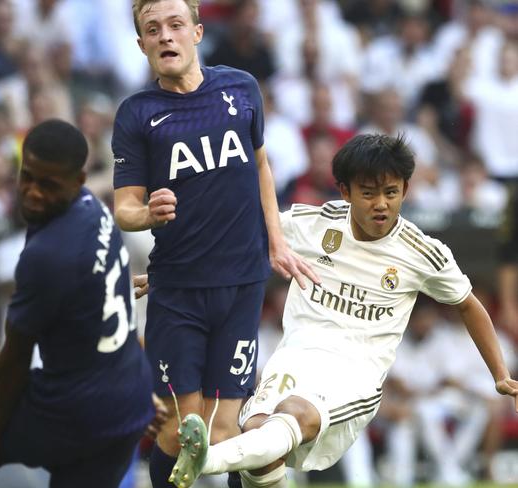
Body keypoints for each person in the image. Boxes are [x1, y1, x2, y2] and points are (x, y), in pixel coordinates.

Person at [168, 133, 518, 488]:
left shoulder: (422, 252)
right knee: (259, 439)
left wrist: (500, 374)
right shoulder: (313, 223)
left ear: (405, 190)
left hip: (355, 371)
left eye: (391, 192)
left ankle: (207, 458)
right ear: (345, 191)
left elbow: (468, 305)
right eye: (368, 193)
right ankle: (211, 459)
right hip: (296, 355)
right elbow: (237, 237)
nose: (381, 203)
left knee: (292, 415)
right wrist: (174, 271)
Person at [112, 1, 318, 486]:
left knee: (225, 430)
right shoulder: (137, 113)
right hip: (178, 291)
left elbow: (261, 166)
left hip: (241, 283)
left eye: (175, 25)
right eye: (152, 29)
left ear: (198, 32)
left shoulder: (241, 88)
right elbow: (124, 206)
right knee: (186, 430)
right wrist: (147, 213)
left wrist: (277, 241)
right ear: (141, 45)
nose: (165, 36)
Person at [0, 119, 164, 488]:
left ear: (78, 180)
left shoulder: (46, 256)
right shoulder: (95, 211)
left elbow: (16, 354)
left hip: (77, 406)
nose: (33, 192)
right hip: (129, 399)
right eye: (27, 177)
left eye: (48, 185)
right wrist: (133, 393)